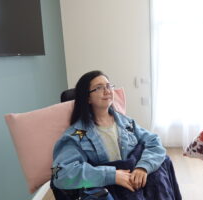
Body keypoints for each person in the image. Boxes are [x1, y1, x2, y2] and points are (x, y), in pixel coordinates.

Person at [52, 70, 167, 199]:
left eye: (108, 86)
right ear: (87, 98)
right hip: (108, 190)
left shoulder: (127, 123)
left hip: (135, 184)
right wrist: (113, 176)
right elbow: (62, 174)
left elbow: (154, 142)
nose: (107, 91)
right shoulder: (77, 134)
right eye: (99, 88)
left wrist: (143, 168)